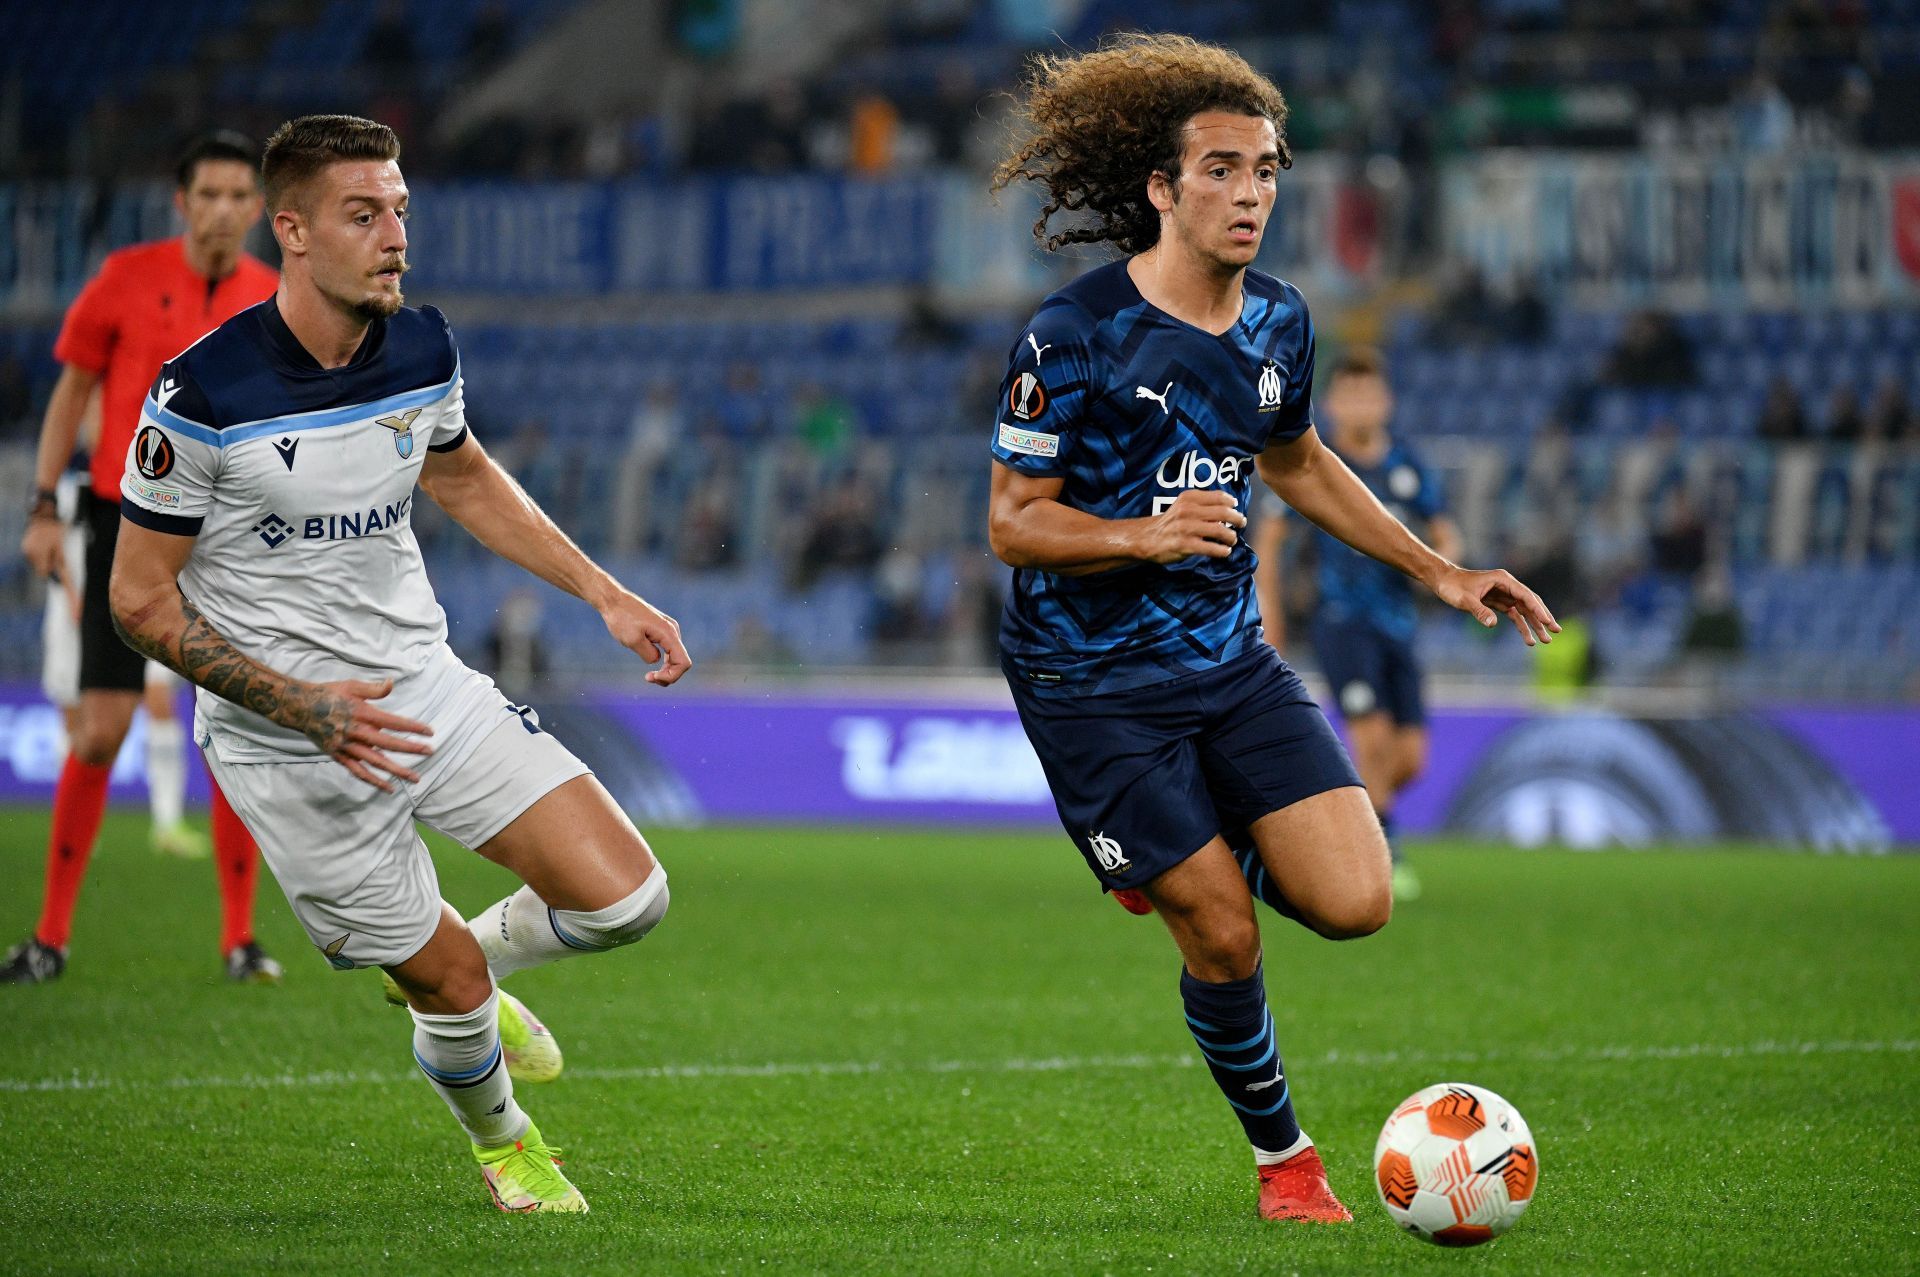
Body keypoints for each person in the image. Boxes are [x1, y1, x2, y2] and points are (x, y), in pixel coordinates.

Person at [986, 35, 1556, 1224]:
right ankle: (1285, 1162)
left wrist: (1438, 568)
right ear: (1162, 188)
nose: (1251, 193)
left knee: (1358, 900)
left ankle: (1186, 846)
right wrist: (1140, 534)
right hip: (1090, 685)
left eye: (1267, 171)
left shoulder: (1283, 326)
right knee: (1225, 930)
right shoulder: (1072, 334)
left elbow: (1295, 458)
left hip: (1229, 664)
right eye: (1224, 170)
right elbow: (1013, 523)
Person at [108, 114, 690, 1213]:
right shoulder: (201, 398)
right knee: (451, 990)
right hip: (286, 741)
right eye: (363, 214)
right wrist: (302, 705)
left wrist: (603, 590)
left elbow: (463, 478)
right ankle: (507, 1140)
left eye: (402, 211)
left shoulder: (422, 346)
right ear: (293, 229)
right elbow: (137, 600)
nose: (394, 236)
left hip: (421, 682)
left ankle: (459, 961)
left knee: (629, 899)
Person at [6, 131, 284, 986]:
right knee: (100, 730)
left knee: (234, 727)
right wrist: (44, 504)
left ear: (260, 210)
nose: (226, 211)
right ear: (182, 201)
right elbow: (72, 393)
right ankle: (50, 938)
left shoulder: (275, 295)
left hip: (227, 530)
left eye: (242, 197)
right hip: (120, 518)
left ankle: (241, 940)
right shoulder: (124, 278)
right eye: (211, 194)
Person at [1251, 347, 1460, 902]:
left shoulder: (1408, 467)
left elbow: (1445, 534)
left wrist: (1442, 565)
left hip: (1399, 624)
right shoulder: (1314, 465)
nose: (1361, 406)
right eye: (1350, 395)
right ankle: (1384, 852)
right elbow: (1269, 543)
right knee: (1370, 738)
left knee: (1410, 758)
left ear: (1386, 402)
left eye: (1370, 394)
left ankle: (1327, 830)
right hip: (1341, 622)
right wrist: (1270, 611)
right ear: (1334, 403)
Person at [41, 454, 210, 860]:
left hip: (135, 603)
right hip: (75, 605)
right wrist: (73, 594)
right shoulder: (69, 482)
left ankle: (167, 822)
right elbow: (54, 545)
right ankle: (81, 830)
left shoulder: (146, 469)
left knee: (158, 701)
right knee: (78, 717)